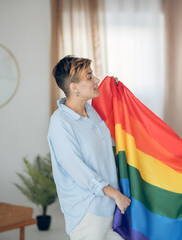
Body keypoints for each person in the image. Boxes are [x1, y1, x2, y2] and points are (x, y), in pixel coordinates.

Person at [47, 56, 131, 240]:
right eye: (89, 76)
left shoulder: (92, 113)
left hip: (110, 206)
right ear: (74, 87)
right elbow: (77, 168)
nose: (96, 80)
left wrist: (114, 91)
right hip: (87, 212)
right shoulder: (60, 122)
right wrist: (113, 193)